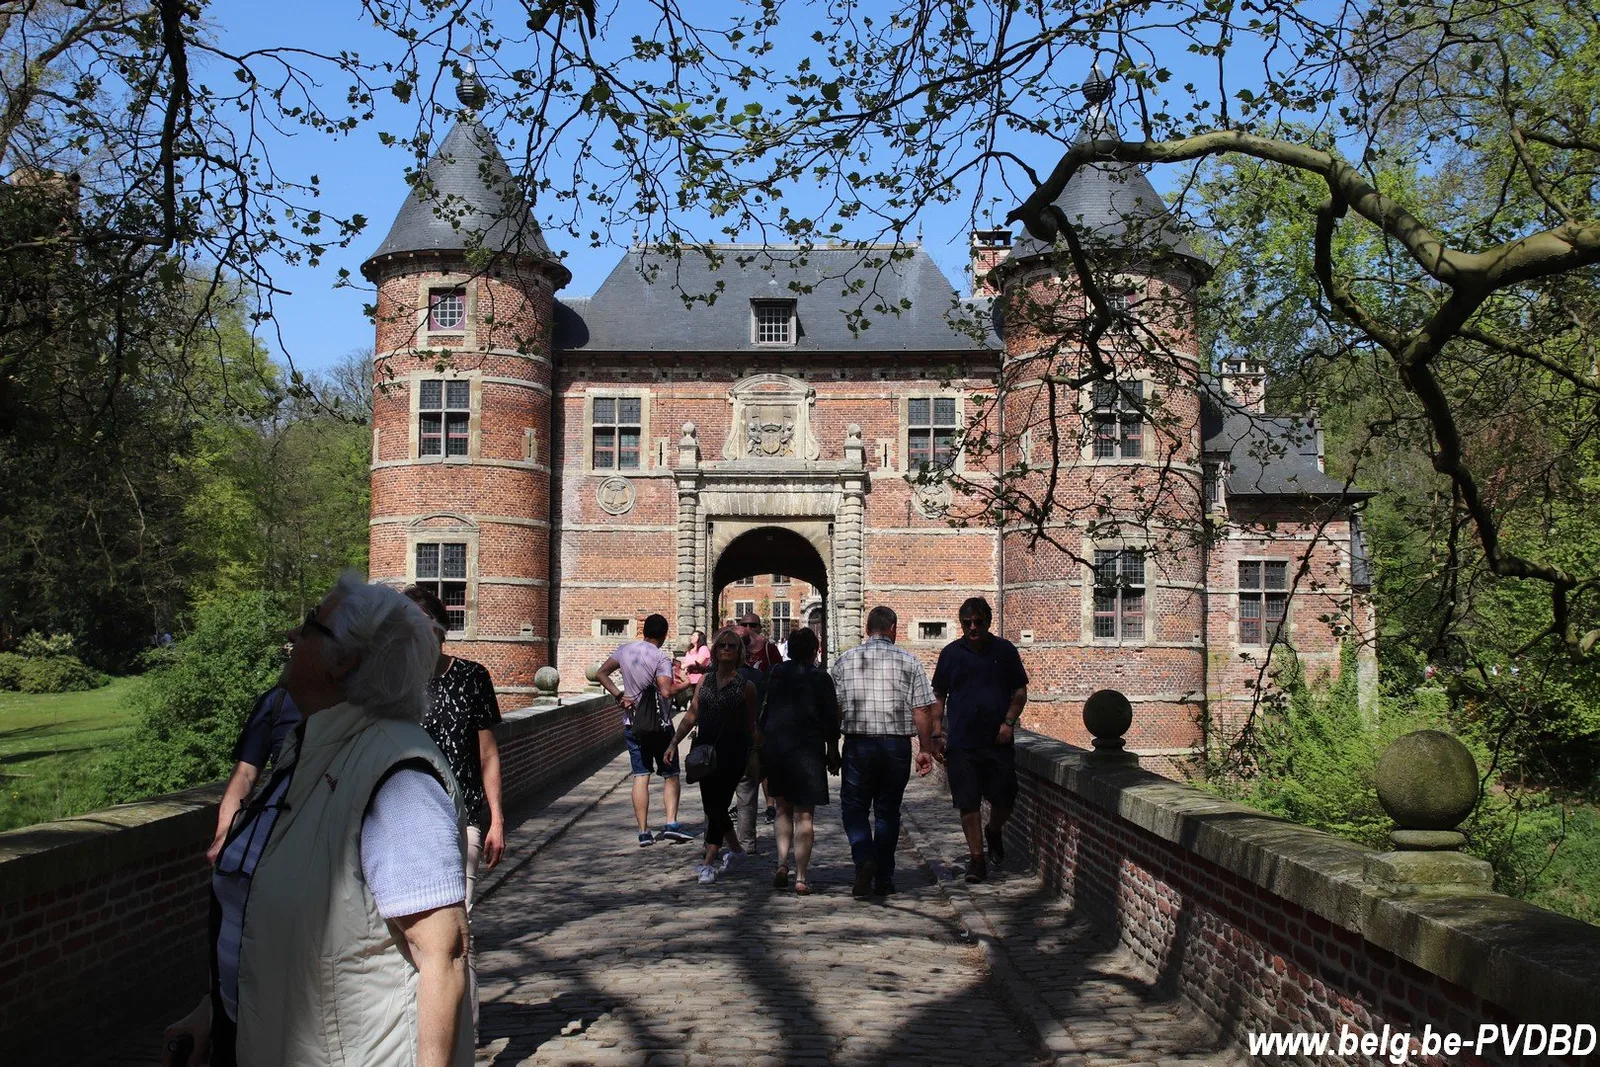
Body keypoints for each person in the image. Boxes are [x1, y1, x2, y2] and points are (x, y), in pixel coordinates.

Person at [162, 573, 471, 1067]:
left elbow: (444, 954)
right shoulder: (308, 749)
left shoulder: (397, 775)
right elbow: (269, 915)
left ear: (344, 660)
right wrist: (216, 1010)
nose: (292, 636)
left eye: (309, 626)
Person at [403, 586, 504, 1029]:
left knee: (457, 931)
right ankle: (424, 1027)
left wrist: (497, 818)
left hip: (460, 821)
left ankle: (466, 1034)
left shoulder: (471, 677)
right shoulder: (392, 683)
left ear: (440, 629)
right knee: (414, 936)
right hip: (402, 822)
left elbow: (487, 755)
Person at [829, 605, 937, 897]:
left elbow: (834, 710)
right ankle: (885, 878)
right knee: (888, 812)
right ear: (893, 629)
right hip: (895, 746)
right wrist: (925, 749)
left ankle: (864, 857)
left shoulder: (844, 661)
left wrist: (831, 748)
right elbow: (922, 709)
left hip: (858, 744)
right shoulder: (910, 661)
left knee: (854, 808)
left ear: (867, 629)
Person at [931, 596, 1029, 884]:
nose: (973, 627)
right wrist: (937, 732)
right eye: (967, 622)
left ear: (988, 621)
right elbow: (939, 695)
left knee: (1005, 797)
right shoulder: (950, 654)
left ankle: (994, 830)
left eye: (978, 622)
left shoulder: (1005, 650)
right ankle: (977, 860)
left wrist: (1009, 722)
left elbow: (1020, 691)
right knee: (968, 802)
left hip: (997, 740)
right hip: (961, 741)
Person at [664, 627, 757, 884]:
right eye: (722, 645)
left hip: (733, 752)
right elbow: (692, 714)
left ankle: (709, 862)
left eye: (732, 646)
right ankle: (736, 851)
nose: (726, 649)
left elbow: (752, 726)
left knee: (718, 804)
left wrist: (755, 755)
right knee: (710, 805)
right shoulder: (705, 681)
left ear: (739, 653)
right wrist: (673, 742)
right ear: (715, 651)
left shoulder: (746, 686)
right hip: (705, 751)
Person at [596, 613, 693, 846]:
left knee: (641, 775)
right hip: (660, 725)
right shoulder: (660, 658)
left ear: (644, 631)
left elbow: (601, 673)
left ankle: (644, 832)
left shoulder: (625, 650)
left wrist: (619, 695)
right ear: (665, 634)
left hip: (633, 723)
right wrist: (687, 684)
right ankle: (670, 823)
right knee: (670, 775)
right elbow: (667, 691)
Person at [759, 626, 838, 894]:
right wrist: (833, 750)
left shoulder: (776, 673)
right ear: (815, 649)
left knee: (782, 809)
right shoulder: (821, 678)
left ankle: (782, 863)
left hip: (779, 747)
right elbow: (830, 719)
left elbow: (765, 710)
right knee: (805, 816)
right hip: (809, 749)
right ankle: (801, 877)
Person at [207, 672, 301, 866]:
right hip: (279, 838)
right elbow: (245, 774)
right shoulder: (277, 700)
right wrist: (224, 835)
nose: (292, 652)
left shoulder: (357, 700)